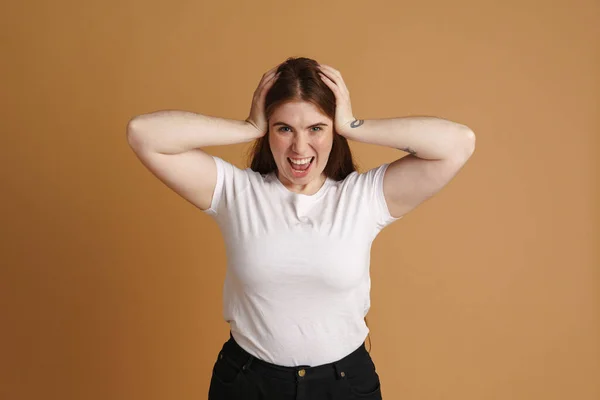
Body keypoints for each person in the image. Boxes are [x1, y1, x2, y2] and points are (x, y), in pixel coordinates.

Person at [126, 57, 476, 400]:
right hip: (249, 383)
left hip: (343, 384)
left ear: (332, 131)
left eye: (316, 128)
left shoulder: (362, 197)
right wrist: (247, 126)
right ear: (269, 132)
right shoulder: (237, 192)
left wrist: (353, 125)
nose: (299, 147)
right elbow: (143, 133)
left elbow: (458, 143)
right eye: (284, 128)